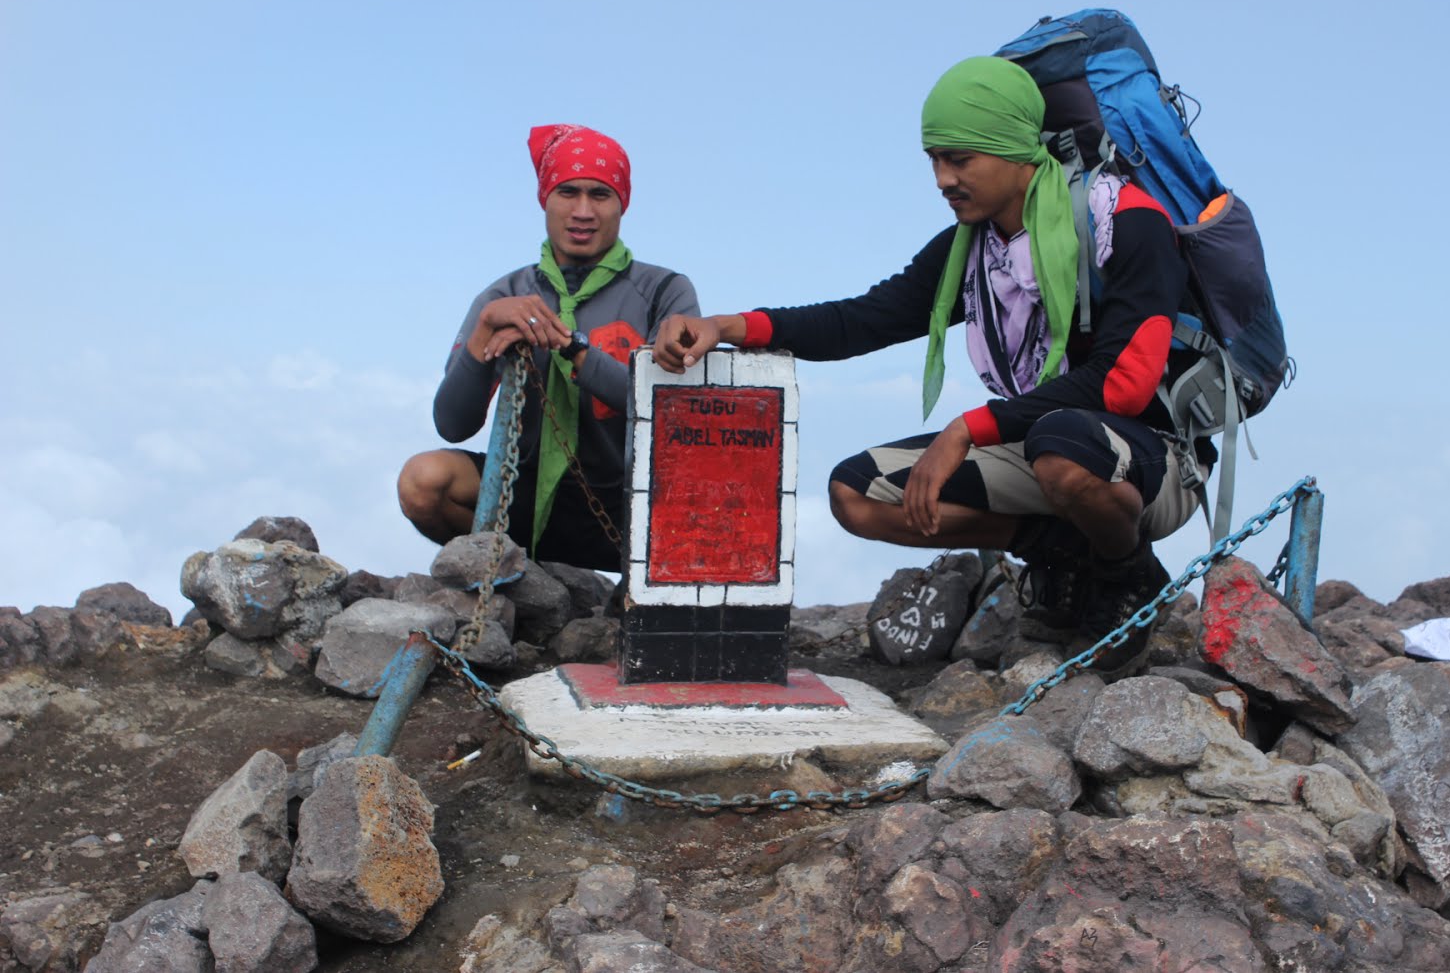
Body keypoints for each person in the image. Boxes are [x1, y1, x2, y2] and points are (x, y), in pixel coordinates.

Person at [652, 57, 1208, 675]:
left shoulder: (1125, 222)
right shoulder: (971, 249)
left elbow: (1121, 385)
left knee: (1063, 446)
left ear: (1014, 149)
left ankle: (1128, 576)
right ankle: (1067, 556)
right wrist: (728, 327)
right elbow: (863, 319)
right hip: (1042, 441)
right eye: (934, 160)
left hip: (1156, 458)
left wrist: (968, 427)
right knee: (856, 494)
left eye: (961, 159)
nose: (943, 179)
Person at [399, 123, 700, 572]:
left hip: (630, 501)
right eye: (568, 193)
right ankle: (514, 577)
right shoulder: (504, 296)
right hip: (524, 492)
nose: (583, 211)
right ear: (545, 200)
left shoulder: (664, 290)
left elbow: (667, 408)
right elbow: (452, 424)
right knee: (423, 481)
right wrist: (483, 333)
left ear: (623, 204)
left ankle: (629, 593)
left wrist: (570, 346)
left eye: (600, 195)